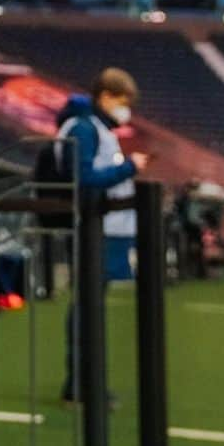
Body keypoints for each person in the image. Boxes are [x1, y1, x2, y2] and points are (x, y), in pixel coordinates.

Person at [54, 68, 149, 403]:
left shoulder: (96, 129)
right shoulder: (84, 128)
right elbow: (84, 178)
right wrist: (129, 168)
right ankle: (80, 384)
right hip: (93, 229)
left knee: (90, 308)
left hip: (104, 231)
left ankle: (84, 382)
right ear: (106, 95)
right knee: (86, 308)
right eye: (123, 102)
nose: (126, 111)